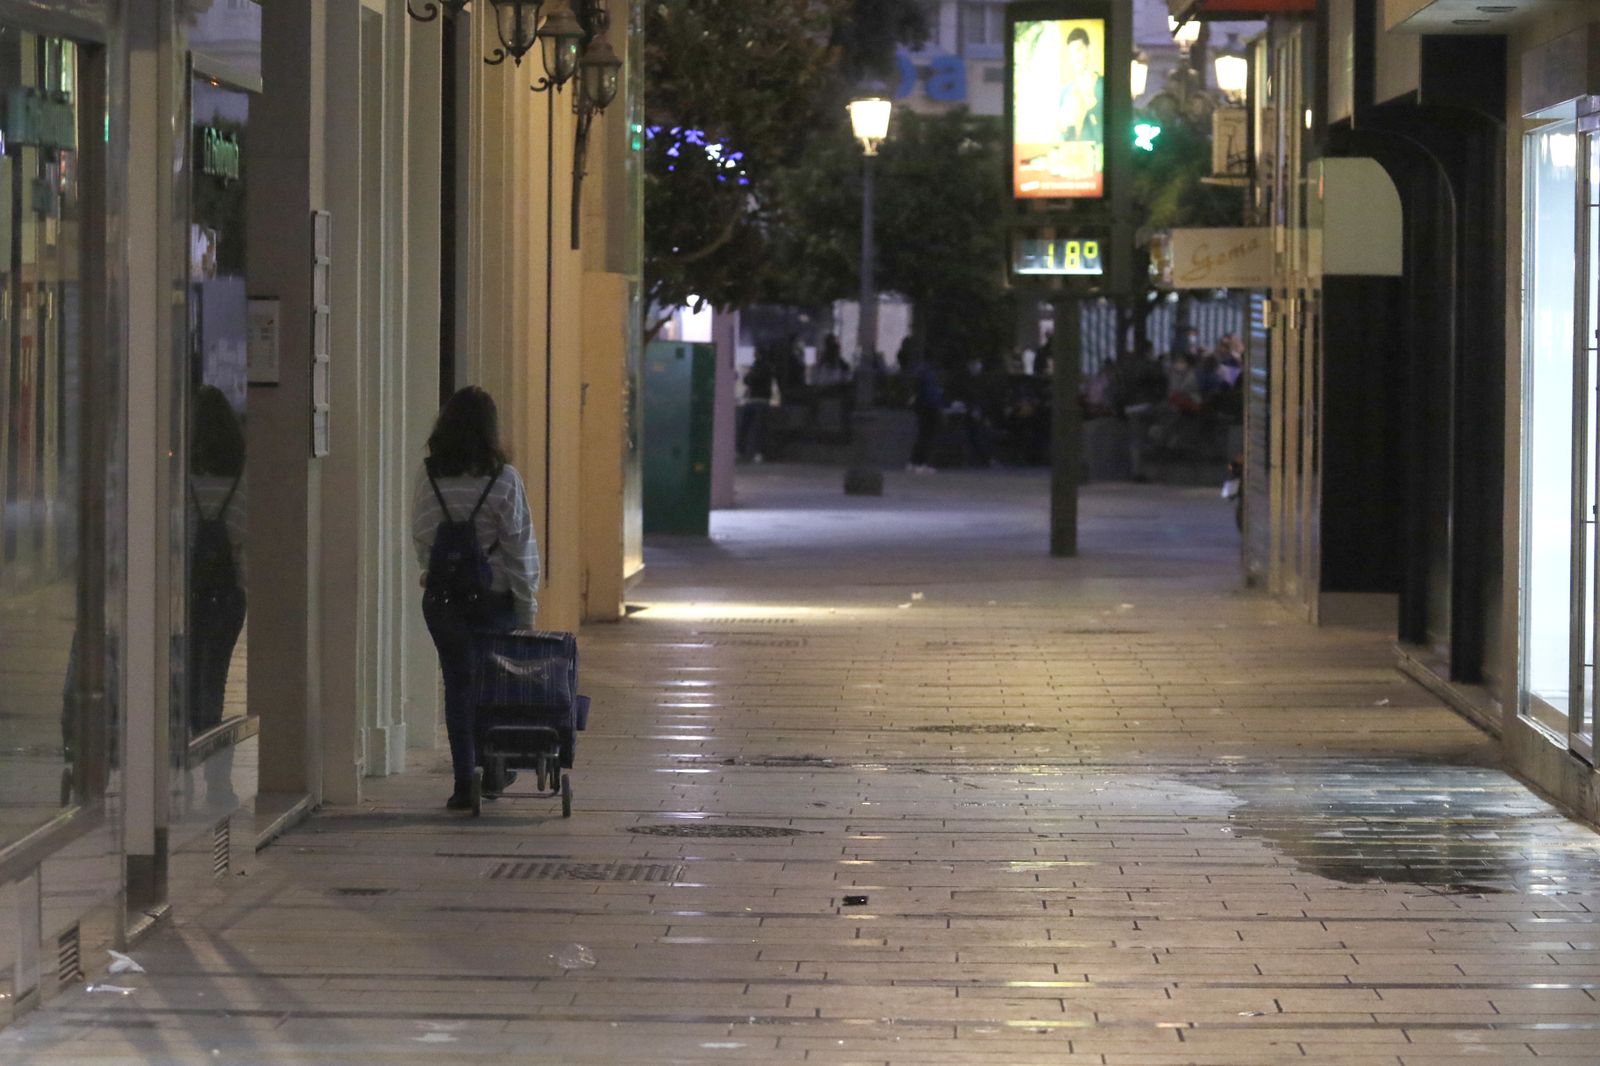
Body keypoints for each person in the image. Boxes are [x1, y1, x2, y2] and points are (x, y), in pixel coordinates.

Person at [412, 386, 540, 811]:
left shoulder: (428, 475)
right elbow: (519, 546)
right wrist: (527, 605)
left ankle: (463, 779)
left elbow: (423, 534)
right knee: (493, 683)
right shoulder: (504, 480)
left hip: (444, 599)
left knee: (457, 683)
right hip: (493, 599)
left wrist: (434, 568)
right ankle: (495, 766)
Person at [188, 385, 248, 737]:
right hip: (228, 593)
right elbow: (245, 540)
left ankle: (186, 751)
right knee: (216, 676)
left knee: (188, 672)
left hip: (189, 591)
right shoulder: (242, 481)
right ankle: (213, 762)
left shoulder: (182, 480)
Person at [907, 355, 944, 473]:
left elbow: (917, 392)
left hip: (923, 407)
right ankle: (922, 463)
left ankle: (914, 462)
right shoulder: (932, 375)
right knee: (929, 436)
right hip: (931, 407)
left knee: (922, 435)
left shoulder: (921, 373)